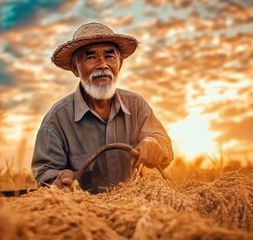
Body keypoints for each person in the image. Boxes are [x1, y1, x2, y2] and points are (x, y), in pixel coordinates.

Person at [31, 22, 173, 194]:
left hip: (136, 208)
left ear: (119, 63)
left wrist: (154, 143)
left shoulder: (137, 105)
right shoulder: (56, 119)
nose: (102, 64)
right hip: (85, 214)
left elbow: (164, 147)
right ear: (75, 68)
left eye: (109, 56)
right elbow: (45, 174)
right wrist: (59, 179)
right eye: (91, 57)